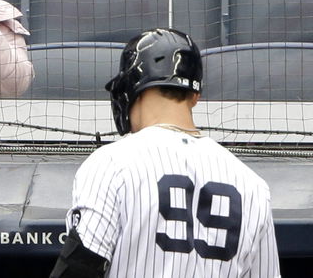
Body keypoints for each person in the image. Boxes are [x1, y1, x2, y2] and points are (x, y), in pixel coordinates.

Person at [50, 28, 280, 277]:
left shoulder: (112, 164)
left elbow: (78, 269)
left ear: (130, 89)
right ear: (195, 96)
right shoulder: (253, 186)